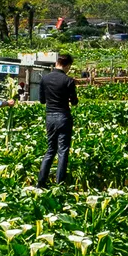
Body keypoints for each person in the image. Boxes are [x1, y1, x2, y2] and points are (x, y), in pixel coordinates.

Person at [36, 51, 78, 187]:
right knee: (63, 151)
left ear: (56, 63)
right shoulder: (68, 80)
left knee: (50, 150)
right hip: (63, 116)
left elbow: (42, 100)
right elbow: (74, 101)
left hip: (50, 116)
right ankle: (59, 184)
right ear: (68, 66)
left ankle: (41, 182)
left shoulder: (45, 79)